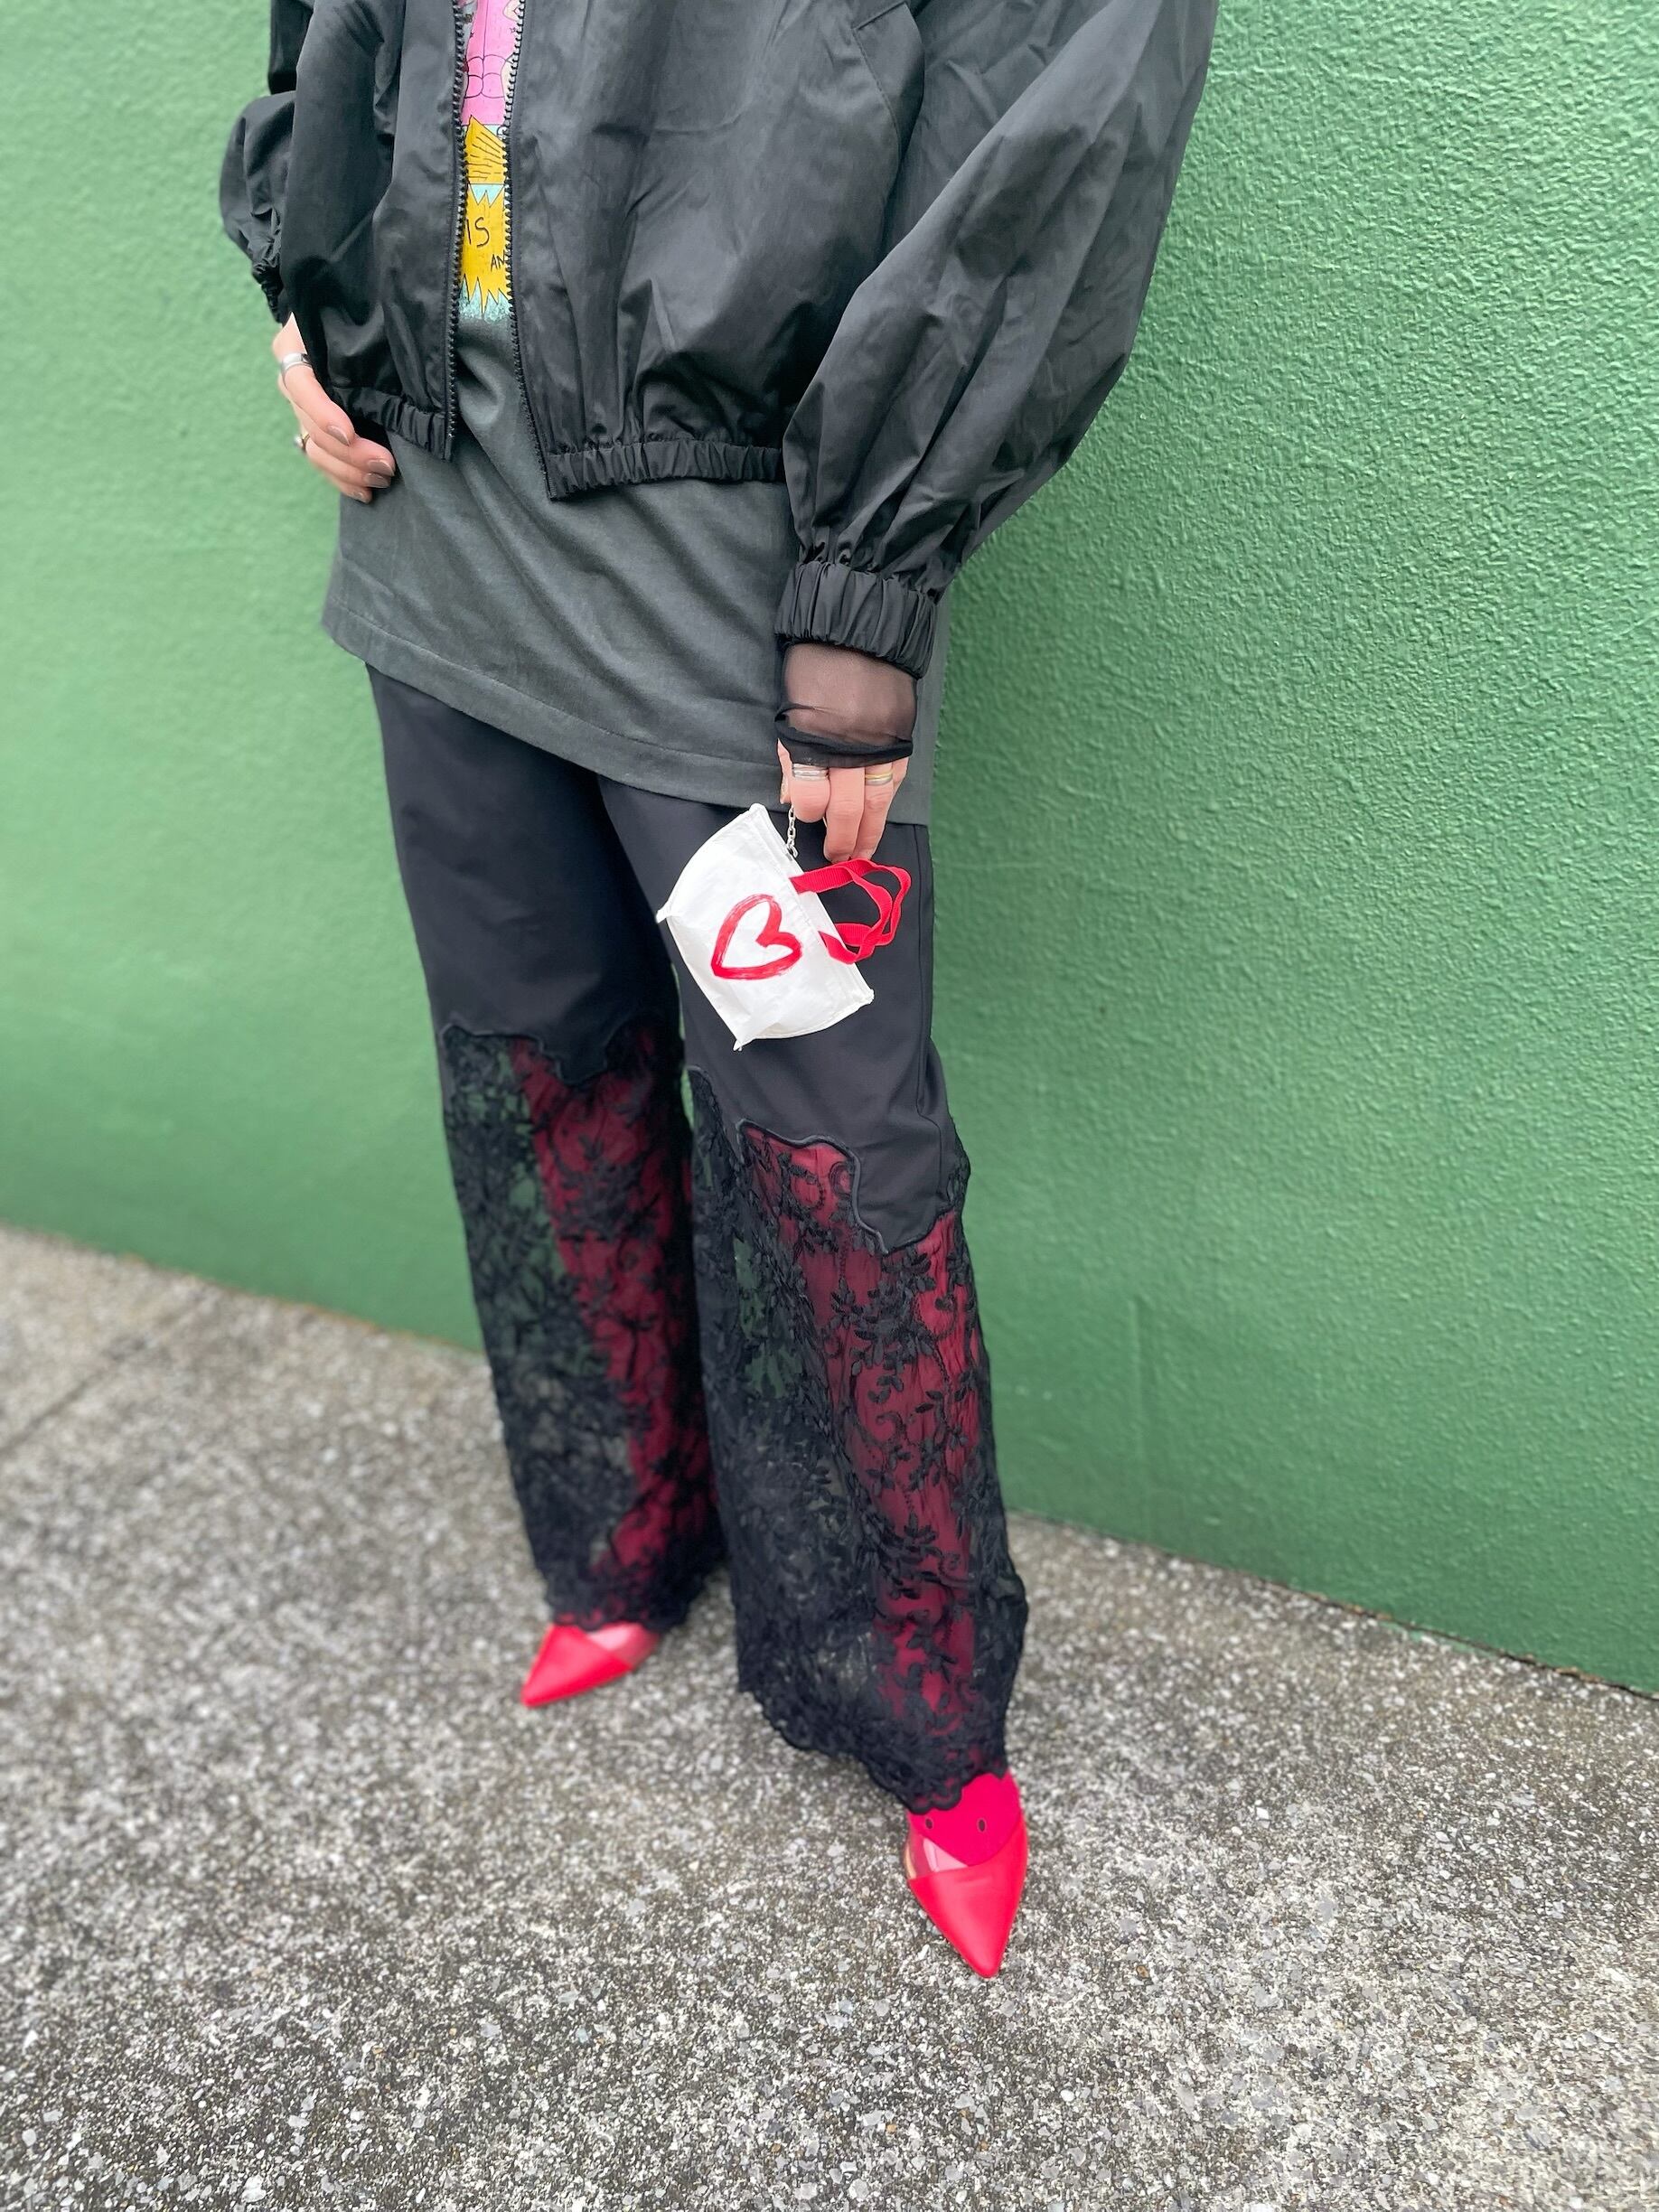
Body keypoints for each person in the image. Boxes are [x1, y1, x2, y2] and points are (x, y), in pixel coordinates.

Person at [220, 0, 1214, 1977]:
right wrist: (306, 304)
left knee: (832, 1150)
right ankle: (624, 1532)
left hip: (737, 575)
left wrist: (871, 589)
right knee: (537, 1056)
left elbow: (1061, 106)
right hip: (430, 511)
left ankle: (923, 1710)